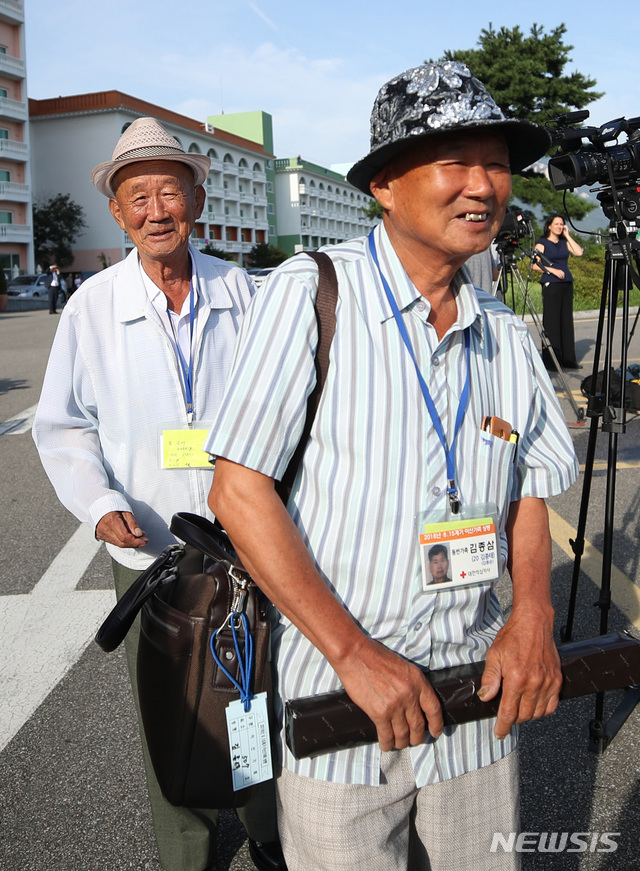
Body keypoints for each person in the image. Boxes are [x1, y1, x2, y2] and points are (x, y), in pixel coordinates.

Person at [205, 61, 578, 871]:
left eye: (498, 164)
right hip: (343, 709)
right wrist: (353, 654)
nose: (484, 185)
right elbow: (238, 493)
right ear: (384, 183)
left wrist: (534, 615)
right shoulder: (311, 295)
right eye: (456, 161)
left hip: (478, 705)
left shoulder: (507, 336)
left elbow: (530, 492)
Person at [32, 117, 285, 871]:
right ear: (116, 211)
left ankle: (268, 826)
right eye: (136, 196)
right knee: (171, 706)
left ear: (195, 201)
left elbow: (280, 403)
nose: (154, 210)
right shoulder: (92, 306)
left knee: (252, 691)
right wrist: (97, 500)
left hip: (246, 539)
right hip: (148, 547)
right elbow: (63, 425)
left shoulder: (239, 290)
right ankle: (187, 850)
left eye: (167, 192)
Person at [533, 213, 584, 369]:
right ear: (549, 226)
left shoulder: (564, 242)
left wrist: (567, 235)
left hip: (566, 283)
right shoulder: (542, 244)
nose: (559, 227)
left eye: (562, 224)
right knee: (551, 322)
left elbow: (579, 252)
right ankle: (552, 362)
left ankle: (569, 360)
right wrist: (552, 270)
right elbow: (535, 265)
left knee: (566, 321)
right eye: (556, 224)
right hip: (551, 284)